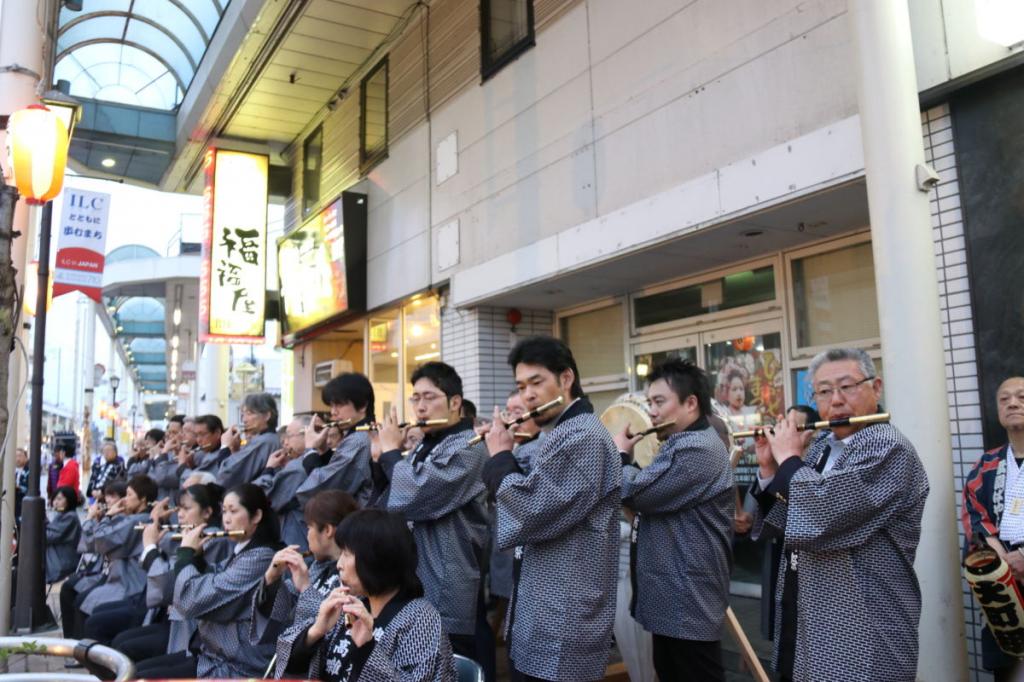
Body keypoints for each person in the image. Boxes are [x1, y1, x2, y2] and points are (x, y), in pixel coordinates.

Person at [751, 348, 928, 682]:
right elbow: (784, 522)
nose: (835, 400)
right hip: (809, 612)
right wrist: (770, 469)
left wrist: (789, 460)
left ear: (876, 387)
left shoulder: (888, 447)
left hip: (864, 620)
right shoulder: (820, 447)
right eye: (824, 391)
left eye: (847, 387)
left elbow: (824, 512)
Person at [483, 336, 621, 682]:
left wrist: (500, 456)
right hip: (545, 609)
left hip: (564, 617)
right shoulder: (560, 432)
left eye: (537, 382)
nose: (527, 394)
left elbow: (531, 510)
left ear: (566, 379)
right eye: (521, 386)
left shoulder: (583, 434)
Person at [617, 358, 734, 682]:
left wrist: (621, 456)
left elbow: (636, 492)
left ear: (691, 403)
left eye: (659, 402)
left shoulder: (696, 448)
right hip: (675, 595)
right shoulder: (682, 443)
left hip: (687, 598)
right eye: (649, 402)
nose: (651, 412)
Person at [378, 361, 492, 677]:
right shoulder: (427, 444)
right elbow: (391, 500)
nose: (420, 406)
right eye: (415, 399)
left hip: (448, 575)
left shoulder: (468, 446)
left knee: (448, 662)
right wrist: (383, 459)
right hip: (416, 571)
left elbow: (416, 494)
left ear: (455, 402)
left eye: (429, 397)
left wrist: (390, 454)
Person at [134, 483, 282, 678]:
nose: (226, 519)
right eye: (224, 512)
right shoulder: (243, 553)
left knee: (140, 677)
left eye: (233, 511)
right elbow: (211, 577)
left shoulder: (261, 558)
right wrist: (196, 558)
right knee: (135, 672)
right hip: (211, 656)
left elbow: (193, 600)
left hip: (234, 668)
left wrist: (186, 554)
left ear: (256, 516)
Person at [292, 508, 456, 681]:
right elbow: (294, 667)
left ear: (375, 559)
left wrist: (366, 648)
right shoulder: (351, 606)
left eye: (347, 554)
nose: (339, 565)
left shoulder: (421, 619)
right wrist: (316, 631)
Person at [111, 482, 231, 663]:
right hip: (172, 619)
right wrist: (157, 538)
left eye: (186, 508)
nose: (180, 515)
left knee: (125, 649)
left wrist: (151, 548)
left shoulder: (213, 541)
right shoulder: (191, 535)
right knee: (120, 641)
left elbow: (168, 587)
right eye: (179, 509)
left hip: (191, 630)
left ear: (207, 512)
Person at [962, 376, 1024, 682]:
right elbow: (975, 513)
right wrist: (1002, 564)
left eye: (1021, 397)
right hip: (1005, 591)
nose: (1013, 403)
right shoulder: (986, 465)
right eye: (1004, 399)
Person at [259, 490, 359, 677]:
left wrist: (306, 588)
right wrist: (272, 579)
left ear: (327, 530)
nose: (307, 534)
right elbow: (280, 613)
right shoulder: (317, 567)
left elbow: (334, 625)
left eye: (309, 527)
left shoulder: (354, 573)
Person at [756, 404, 819, 642]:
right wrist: (767, 467)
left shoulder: (816, 460)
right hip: (779, 556)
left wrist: (789, 460)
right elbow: (769, 518)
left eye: (793, 428)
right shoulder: (785, 463)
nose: (784, 436)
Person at [79, 475, 159, 643]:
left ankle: (88, 654)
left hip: (129, 582)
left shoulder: (138, 520)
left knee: (88, 607)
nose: (123, 500)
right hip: (118, 576)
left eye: (129, 495)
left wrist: (106, 516)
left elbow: (101, 540)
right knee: (78, 595)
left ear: (143, 499)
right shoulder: (133, 518)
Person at [296, 373, 376, 510]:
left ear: (362, 405)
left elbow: (326, 487)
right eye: (332, 405)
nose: (333, 412)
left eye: (339, 404)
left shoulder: (359, 439)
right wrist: (323, 450)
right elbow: (340, 472)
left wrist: (310, 450)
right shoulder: (358, 435)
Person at [254, 413, 322, 548]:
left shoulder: (298, 466)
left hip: (298, 534)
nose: (286, 441)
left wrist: (268, 469)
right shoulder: (319, 458)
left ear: (307, 434)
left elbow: (263, 497)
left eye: (290, 435)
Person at [218, 394, 282, 488]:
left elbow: (228, 473)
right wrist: (235, 450)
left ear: (267, 416)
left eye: (249, 413)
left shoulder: (264, 441)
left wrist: (225, 446)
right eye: (243, 415)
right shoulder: (269, 438)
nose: (244, 420)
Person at [45, 486, 83, 584]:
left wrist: (41, 519)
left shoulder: (70, 517)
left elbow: (49, 536)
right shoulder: (63, 515)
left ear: (69, 500)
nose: (55, 502)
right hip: (59, 558)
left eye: (59, 499)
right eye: (54, 499)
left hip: (62, 562)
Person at [15, 447, 29, 518]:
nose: (18, 459)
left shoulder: (29, 471)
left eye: (20, 456)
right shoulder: (10, 470)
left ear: (26, 458)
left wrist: (19, 487)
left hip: (23, 503)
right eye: (16, 456)